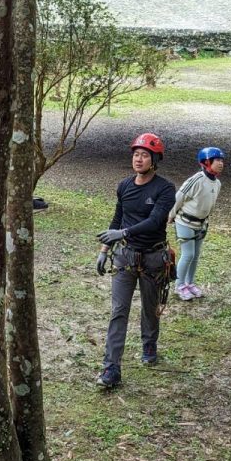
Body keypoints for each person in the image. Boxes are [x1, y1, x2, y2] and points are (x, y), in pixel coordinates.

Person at [93, 133, 176, 389]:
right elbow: (117, 218)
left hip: (152, 257)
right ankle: (111, 368)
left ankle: (149, 343)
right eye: (136, 154)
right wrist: (105, 249)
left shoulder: (165, 189)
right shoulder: (124, 186)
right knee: (119, 311)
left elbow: (155, 220)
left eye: (144, 155)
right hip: (125, 256)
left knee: (150, 308)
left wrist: (124, 233)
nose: (139, 159)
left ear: (154, 160)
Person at [169, 147, 225, 301]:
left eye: (222, 160)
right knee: (188, 254)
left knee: (195, 255)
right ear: (206, 162)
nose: (221, 163)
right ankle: (179, 285)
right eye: (217, 160)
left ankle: (190, 282)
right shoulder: (196, 180)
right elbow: (179, 197)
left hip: (201, 224)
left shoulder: (217, 183)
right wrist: (171, 215)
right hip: (185, 221)